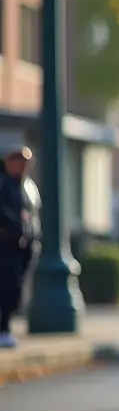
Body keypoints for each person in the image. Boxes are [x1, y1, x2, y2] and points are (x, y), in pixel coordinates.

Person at [0, 146, 38, 348]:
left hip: (25, 246)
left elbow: (33, 215)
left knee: (16, 289)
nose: (22, 165)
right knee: (6, 287)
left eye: (26, 161)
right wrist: (15, 225)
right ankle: (3, 328)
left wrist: (34, 237)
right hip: (6, 244)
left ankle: (7, 327)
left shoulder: (29, 187)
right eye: (18, 161)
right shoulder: (3, 185)